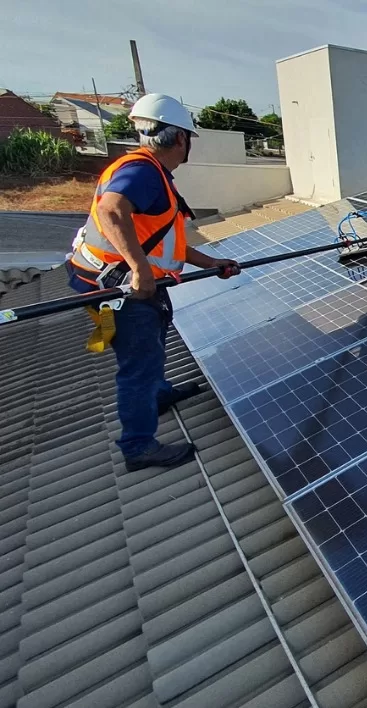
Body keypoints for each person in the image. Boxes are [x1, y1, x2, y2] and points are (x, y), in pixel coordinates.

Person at [66, 93, 241, 471]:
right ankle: (138, 446)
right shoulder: (144, 171)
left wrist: (211, 262)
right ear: (179, 138)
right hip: (118, 287)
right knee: (140, 363)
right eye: (189, 138)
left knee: (154, 343)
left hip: (109, 279)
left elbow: (163, 240)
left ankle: (159, 395)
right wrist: (140, 270)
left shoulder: (150, 172)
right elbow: (111, 209)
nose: (189, 145)